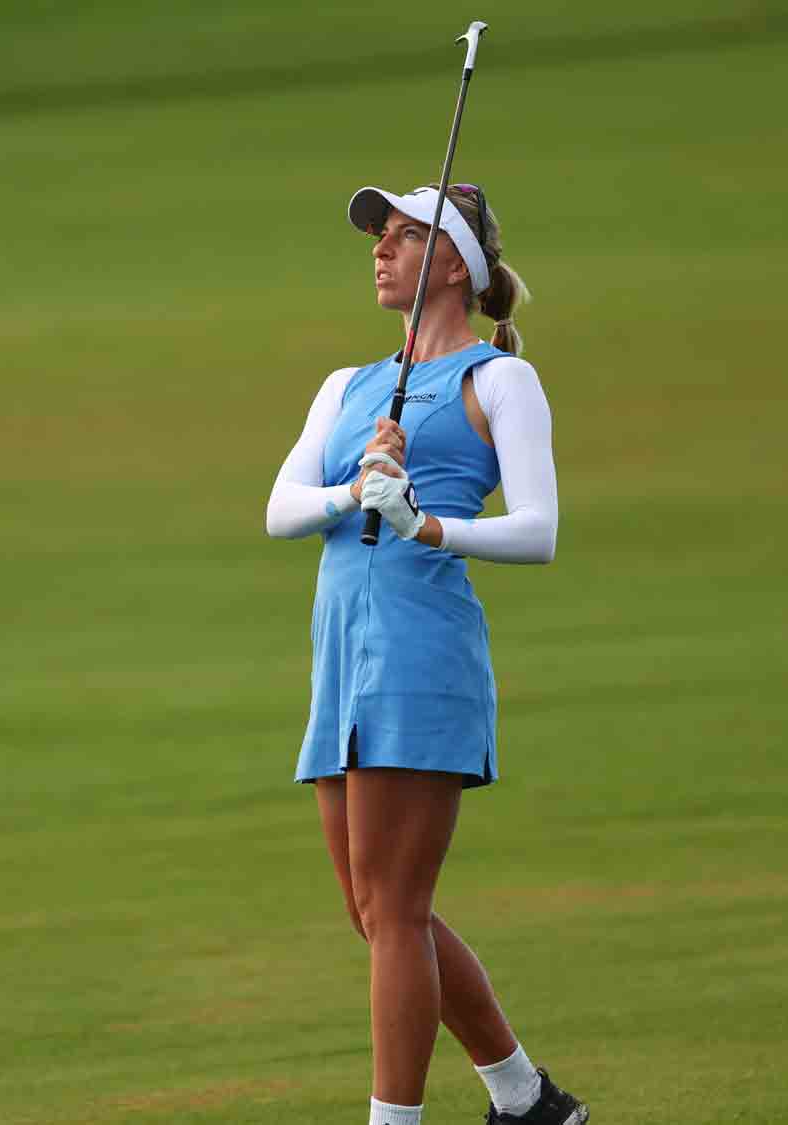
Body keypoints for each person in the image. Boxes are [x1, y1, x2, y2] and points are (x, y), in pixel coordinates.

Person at [264, 183, 587, 1125]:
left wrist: (428, 523)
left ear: (455, 266)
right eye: (379, 236)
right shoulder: (346, 386)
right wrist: (352, 494)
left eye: (405, 236)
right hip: (341, 659)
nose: (380, 249)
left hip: (421, 649)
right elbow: (279, 507)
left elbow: (539, 530)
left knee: (396, 911)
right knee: (374, 914)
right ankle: (525, 1099)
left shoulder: (499, 380)